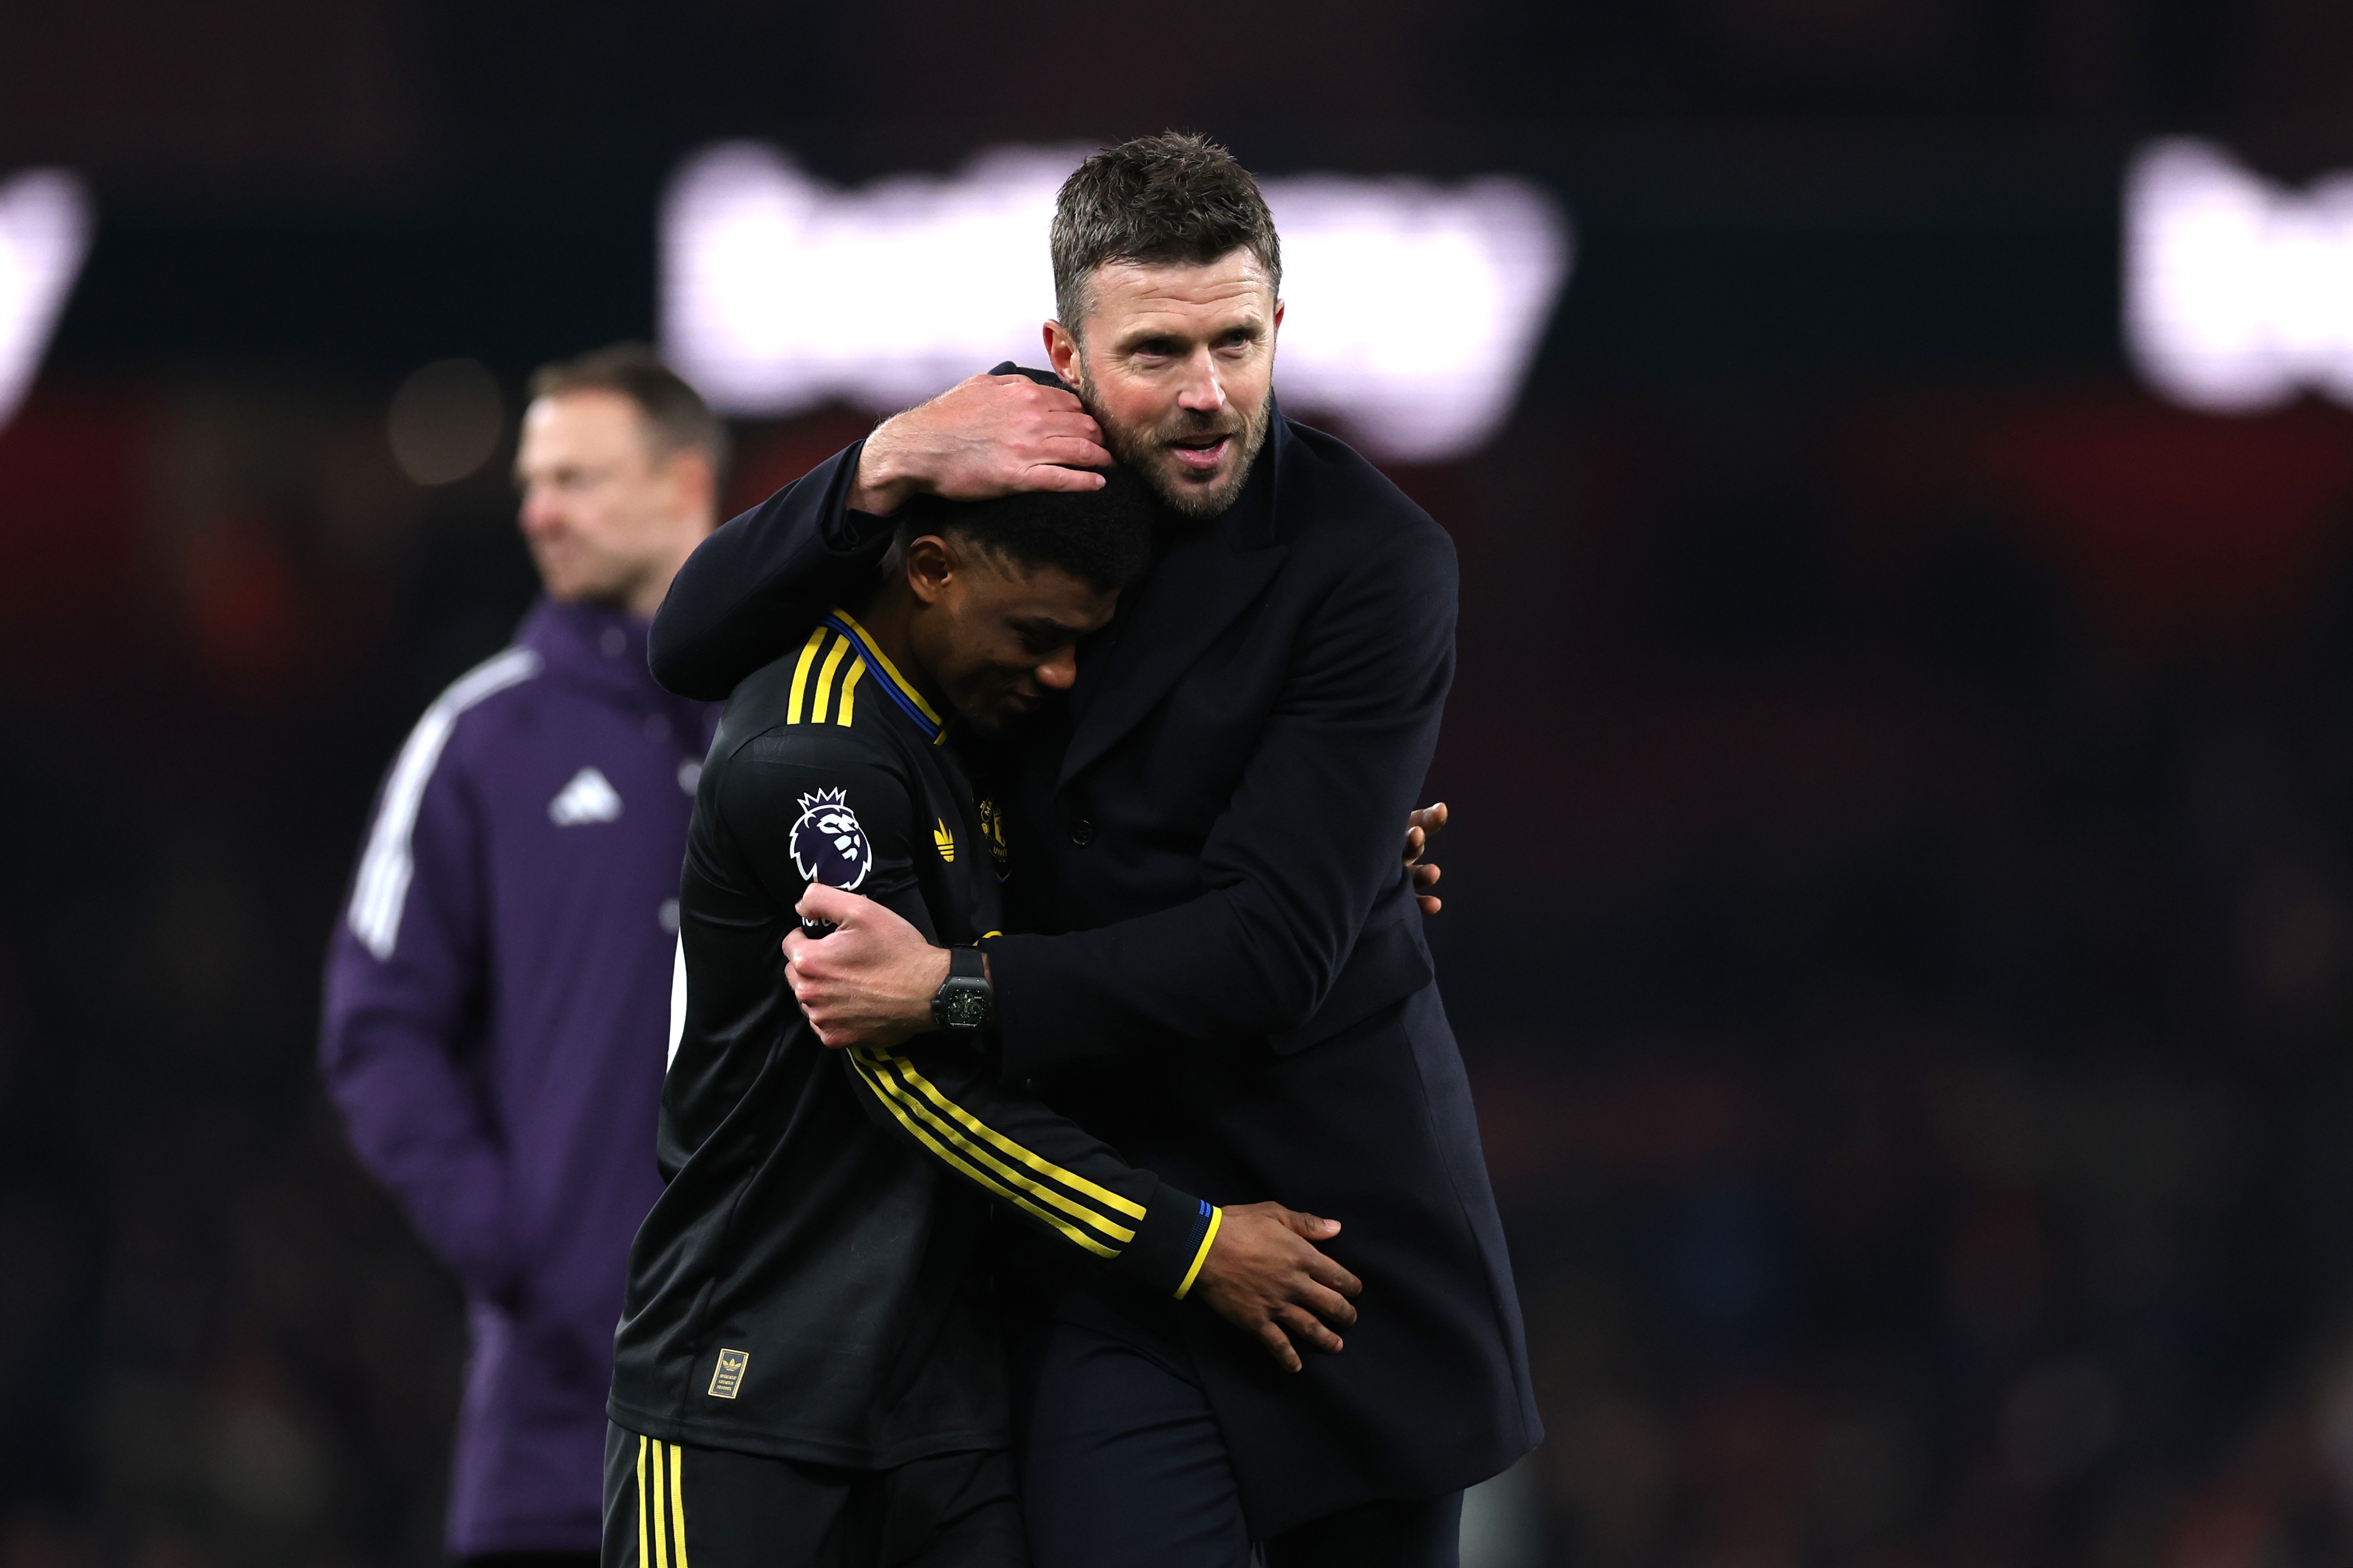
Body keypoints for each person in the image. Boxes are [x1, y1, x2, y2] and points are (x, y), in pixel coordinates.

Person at [647, 134, 1538, 1568]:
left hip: (1329, 1236)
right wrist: (876, 464)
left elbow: (1273, 949)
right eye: (1157, 351)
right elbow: (692, 639)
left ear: (1281, 327)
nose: (1205, 394)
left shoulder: (1375, 560)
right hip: (1096, 1239)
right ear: (1064, 349)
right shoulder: (991, 485)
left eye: (1236, 342)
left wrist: (957, 985)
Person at [604, 472, 1366, 1568]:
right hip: (748, 1384)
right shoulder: (815, 753)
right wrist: (1187, 1243)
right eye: (1036, 633)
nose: (1058, 673)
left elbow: (1112, 897)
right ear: (929, 570)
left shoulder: (975, 719)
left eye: (1080, 644)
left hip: (948, 1404)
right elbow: (919, 1082)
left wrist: (1331, 855)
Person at [321, 345, 725, 1568]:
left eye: (579, 477)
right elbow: (375, 1029)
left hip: (795, 1420)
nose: (539, 509)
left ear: (684, 489)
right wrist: (523, 1243)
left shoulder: (801, 717)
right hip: (558, 1433)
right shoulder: (480, 736)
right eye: (533, 481)